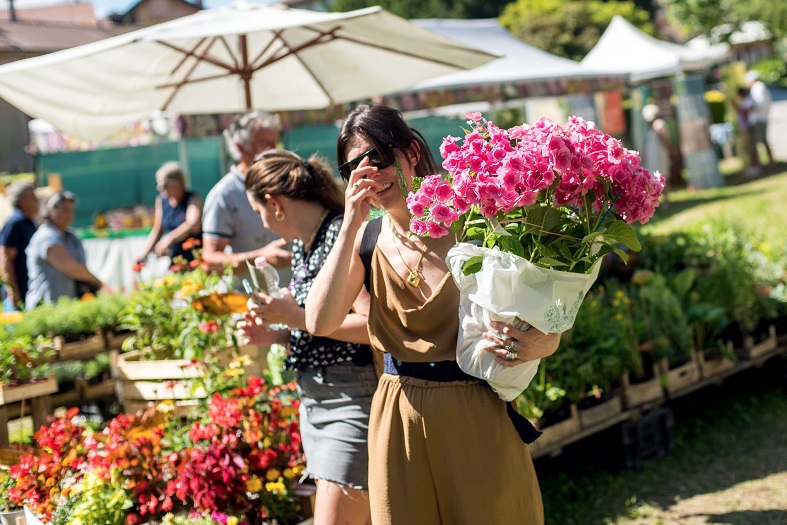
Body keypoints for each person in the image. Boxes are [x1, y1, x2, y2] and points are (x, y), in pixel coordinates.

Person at [304, 104, 561, 525]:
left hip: (474, 409)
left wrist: (543, 343)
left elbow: (547, 321)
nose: (368, 173)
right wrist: (350, 222)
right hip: (398, 413)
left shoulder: (476, 224)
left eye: (377, 158)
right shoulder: (365, 238)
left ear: (409, 151)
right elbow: (320, 321)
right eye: (352, 167)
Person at [237, 149, 376, 525]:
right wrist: (275, 334)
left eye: (259, 213)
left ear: (274, 203)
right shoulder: (305, 243)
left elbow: (374, 326)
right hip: (317, 402)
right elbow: (323, 327)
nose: (264, 224)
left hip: (351, 400)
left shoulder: (338, 235)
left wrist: (294, 318)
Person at [201, 111, 291, 278]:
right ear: (241, 149)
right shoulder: (224, 195)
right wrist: (262, 257)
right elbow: (210, 261)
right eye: (265, 144)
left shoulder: (285, 181)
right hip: (250, 299)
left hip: (295, 296)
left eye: (275, 143)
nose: (274, 151)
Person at [25, 191, 104, 308]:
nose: (69, 214)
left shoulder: (71, 236)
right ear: (51, 211)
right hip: (45, 308)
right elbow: (71, 268)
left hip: (67, 307)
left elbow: (81, 264)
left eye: (72, 210)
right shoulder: (45, 236)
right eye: (65, 210)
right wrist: (98, 282)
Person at [138, 162, 203, 264]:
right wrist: (144, 254)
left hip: (195, 258)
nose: (160, 188)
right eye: (159, 185)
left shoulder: (193, 199)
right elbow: (157, 230)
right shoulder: (161, 200)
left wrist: (169, 239)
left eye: (164, 184)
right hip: (176, 260)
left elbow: (193, 224)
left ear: (178, 183)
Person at [0, 181, 38, 310]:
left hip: (30, 288)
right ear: (23, 200)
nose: (37, 200)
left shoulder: (29, 222)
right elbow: (5, 260)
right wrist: (12, 291)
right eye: (33, 196)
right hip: (19, 292)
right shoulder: (14, 224)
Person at [745, 70, 775, 173]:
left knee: (762, 141)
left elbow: (759, 104)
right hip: (760, 118)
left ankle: (770, 162)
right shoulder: (759, 87)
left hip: (759, 118)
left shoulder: (758, 88)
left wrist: (748, 109)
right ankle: (770, 162)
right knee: (762, 141)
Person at [642, 104, 672, 198]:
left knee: (662, 176)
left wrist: (669, 151)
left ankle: (666, 199)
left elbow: (664, 138)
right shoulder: (653, 126)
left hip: (660, 155)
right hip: (655, 156)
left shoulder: (658, 123)